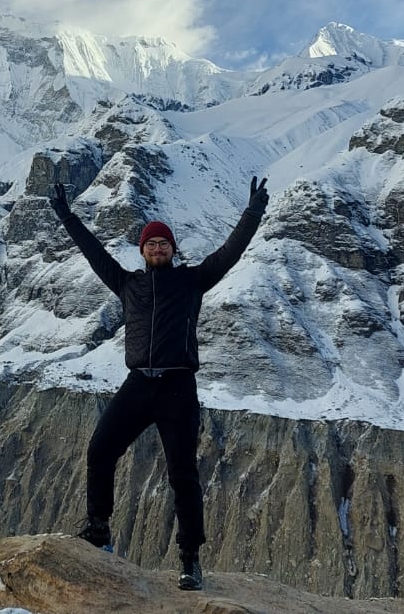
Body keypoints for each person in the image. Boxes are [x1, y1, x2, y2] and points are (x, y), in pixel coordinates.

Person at [49, 176, 269, 592]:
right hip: (138, 384)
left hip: (177, 387)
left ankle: (190, 559)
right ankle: (99, 527)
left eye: (163, 243)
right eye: (150, 244)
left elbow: (230, 253)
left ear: (173, 249)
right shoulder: (127, 284)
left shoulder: (192, 282)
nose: (157, 248)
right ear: (142, 251)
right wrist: (66, 216)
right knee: (100, 449)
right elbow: (93, 253)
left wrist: (252, 212)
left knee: (182, 475)